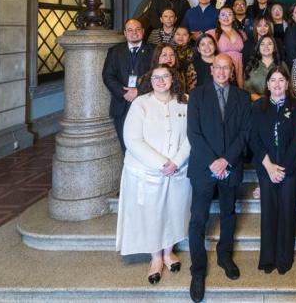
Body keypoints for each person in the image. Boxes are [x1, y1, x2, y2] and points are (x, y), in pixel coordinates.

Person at [116, 65, 190, 284]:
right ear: (150, 80)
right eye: (156, 77)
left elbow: (193, 134)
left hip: (178, 169)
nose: (160, 81)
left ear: (172, 78)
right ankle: (155, 257)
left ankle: (169, 252)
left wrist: (176, 161)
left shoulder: (184, 100)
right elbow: (132, 139)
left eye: (165, 76)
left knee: (174, 210)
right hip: (147, 172)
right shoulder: (141, 103)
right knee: (153, 214)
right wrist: (161, 163)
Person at [187, 55, 251, 302]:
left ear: (232, 71)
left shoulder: (242, 97)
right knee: (198, 219)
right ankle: (198, 270)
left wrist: (226, 160)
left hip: (230, 166)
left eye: (227, 67)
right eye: (218, 67)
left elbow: (245, 132)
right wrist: (213, 161)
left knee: (228, 213)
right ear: (211, 70)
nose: (222, 71)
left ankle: (225, 256)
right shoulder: (197, 95)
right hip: (204, 167)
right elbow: (193, 133)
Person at [249, 66, 296, 274]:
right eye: (273, 80)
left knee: (288, 213)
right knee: (269, 214)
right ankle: (268, 258)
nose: (277, 84)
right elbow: (253, 139)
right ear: (268, 84)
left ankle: (284, 259)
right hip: (266, 169)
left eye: (281, 80)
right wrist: (269, 167)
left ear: (287, 84)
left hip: (289, 170)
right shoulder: (258, 107)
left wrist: (283, 168)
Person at [102, 19, 152, 152]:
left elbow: (157, 75)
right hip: (121, 105)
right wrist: (124, 92)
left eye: (137, 29)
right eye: (130, 30)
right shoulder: (115, 51)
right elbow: (107, 76)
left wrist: (139, 91)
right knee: (126, 146)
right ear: (125, 33)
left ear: (143, 31)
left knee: (148, 145)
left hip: (147, 104)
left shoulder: (154, 50)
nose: (134, 33)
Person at [206, 7, 246, 88]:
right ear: (219, 18)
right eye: (223, 15)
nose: (226, 17)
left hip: (240, 66)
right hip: (223, 68)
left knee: (239, 92)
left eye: (229, 14)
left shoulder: (242, 34)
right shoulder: (212, 33)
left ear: (234, 18)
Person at [243, 36, 286, 101]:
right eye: (262, 44)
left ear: (274, 48)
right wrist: (266, 102)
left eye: (269, 44)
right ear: (258, 48)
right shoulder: (251, 65)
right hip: (257, 104)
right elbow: (247, 91)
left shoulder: (282, 65)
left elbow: (288, 87)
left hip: (279, 103)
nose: (266, 46)